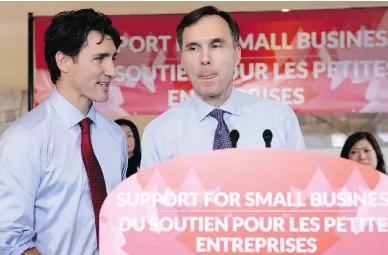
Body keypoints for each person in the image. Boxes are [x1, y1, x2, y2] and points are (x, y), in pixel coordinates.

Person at [0, 9, 128, 255]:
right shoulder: (25, 138)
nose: (112, 70)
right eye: (100, 58)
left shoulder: (115, 137)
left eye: (113, 58)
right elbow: (10, 239)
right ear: (64, 61)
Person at [140, 6, 306, 170]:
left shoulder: (279, 119)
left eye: (216, 45)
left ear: (237, 55)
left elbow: (302, 188)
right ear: (182, 60)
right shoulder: (159, 133)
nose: (205, 59)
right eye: (193, 48)